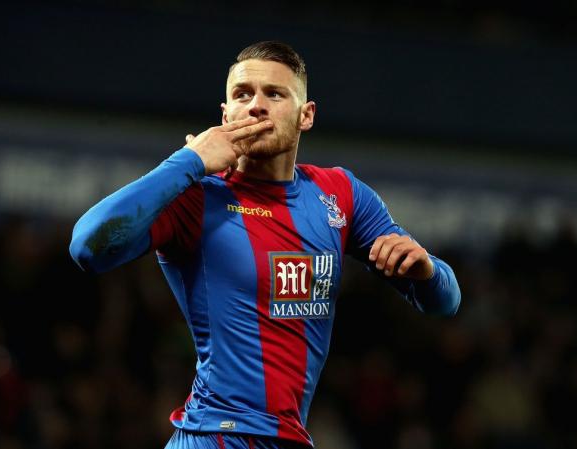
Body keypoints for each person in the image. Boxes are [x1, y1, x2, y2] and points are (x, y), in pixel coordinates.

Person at [69, 41, 461, 449]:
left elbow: (445, 302)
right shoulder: (197, 197)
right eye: (242, 95)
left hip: (288, 438)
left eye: (274, 94)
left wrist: (427, 271)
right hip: (214, 435)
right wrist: (188, 160)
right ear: (225, 115)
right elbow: (87, 247)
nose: (256, 106)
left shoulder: (341, 194)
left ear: (306, 115)